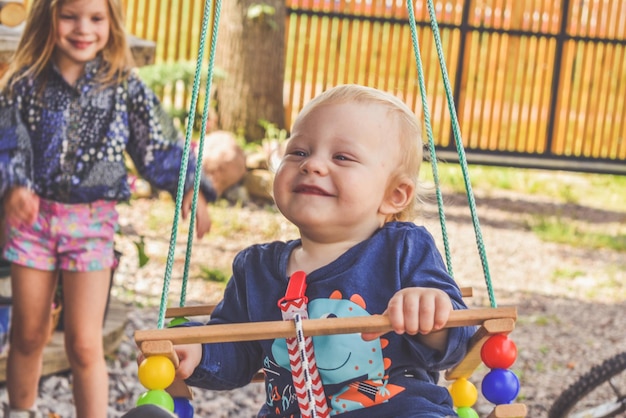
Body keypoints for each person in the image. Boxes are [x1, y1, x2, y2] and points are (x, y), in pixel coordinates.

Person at [125, 84, 474, 418]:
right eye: (299, 152)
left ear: (394, 196)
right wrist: (199, 352)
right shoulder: (257, 269)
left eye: (342, 156)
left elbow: (458, 339)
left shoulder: (403, 249)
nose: (313, 165)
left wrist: (430, 311)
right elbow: (238, 349)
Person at [0, 0, 216, 416]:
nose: (83, 28)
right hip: (34, 220)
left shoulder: (124, 87)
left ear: (111, 24)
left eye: (96, 18)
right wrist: (15, 187)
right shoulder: (24, 85)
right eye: (70, 15)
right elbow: (9, 142)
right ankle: (21, 411)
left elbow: (159, 145)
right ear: (49, 17)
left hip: (91, 223)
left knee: (83, 341)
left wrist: (190, 185)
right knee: (29, 333)